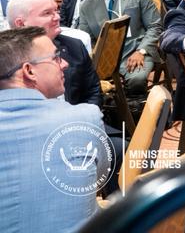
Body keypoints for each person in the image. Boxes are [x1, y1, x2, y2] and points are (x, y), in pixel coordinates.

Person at [0, 26, 106, 231]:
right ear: (29, 71)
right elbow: (98, 179)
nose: (65, 64)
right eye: (56, 58)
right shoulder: (85, 118)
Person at [77, 0, 162, 96]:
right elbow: (87, 38)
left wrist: (141, 51)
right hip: (106, 57)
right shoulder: (87, 6)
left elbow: (155, 26)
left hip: (137, 49)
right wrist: (95, 59)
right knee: (79, 81)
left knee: (136, 80)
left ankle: (134, 106)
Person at [8, 0, 102, 107]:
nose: (57, 17)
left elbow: (92, 91)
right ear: (21, 24)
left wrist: (85, 115)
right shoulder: (6, 59)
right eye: (47, 13)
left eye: (56, 11)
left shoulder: (74, 47)